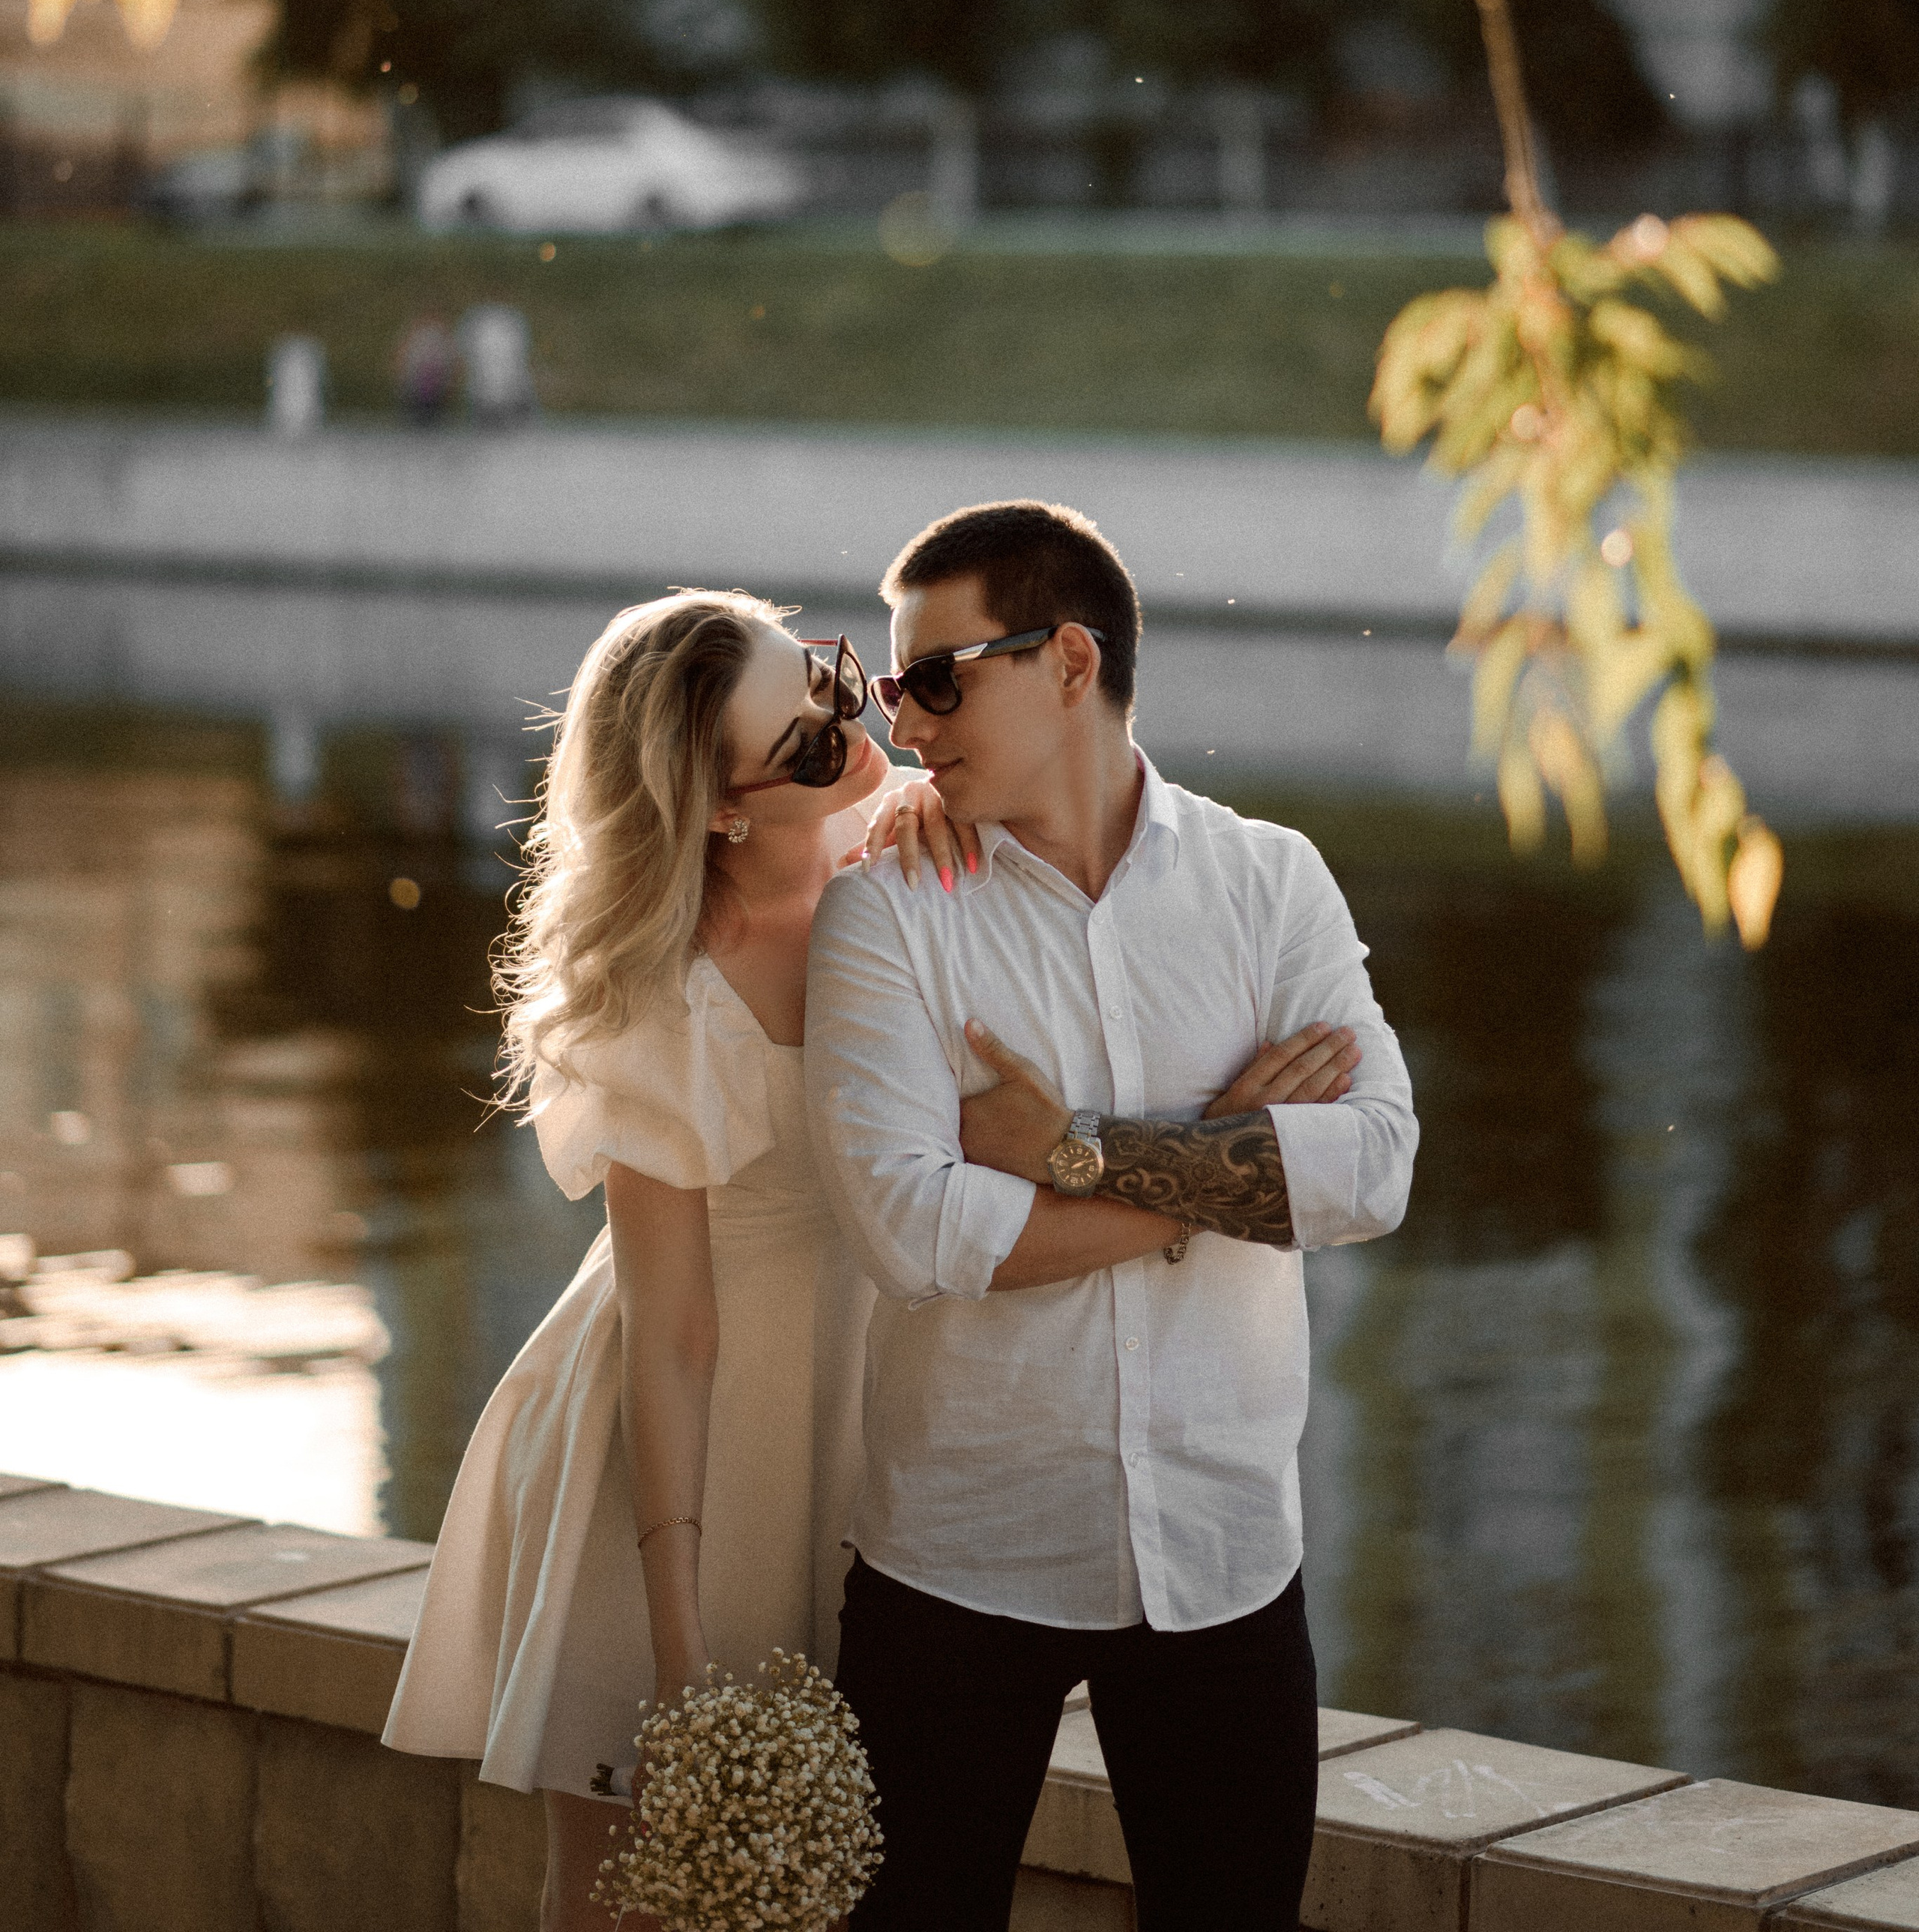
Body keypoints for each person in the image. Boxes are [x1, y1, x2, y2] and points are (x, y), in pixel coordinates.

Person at [804, 500, 1419, 1932]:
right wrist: (1219, 1175)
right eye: (891, 689)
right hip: (957, 1559)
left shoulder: (1270, 881)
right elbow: (913, 1231)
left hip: (1223, 1559)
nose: (909, 723)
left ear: (1071, 661)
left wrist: (1071, 1153)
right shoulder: (886, 911)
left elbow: (1375, 1168)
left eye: (937, 679)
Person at [382, 589, 961, 1932]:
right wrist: (679, 1637)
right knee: (622, 1899)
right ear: (718, 811)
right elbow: (676, 1333)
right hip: (674, 1444)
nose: (851, 727)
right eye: (806, 740)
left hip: (851, 1413)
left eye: (827, 679)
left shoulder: (909, 856)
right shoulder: (665, 993)